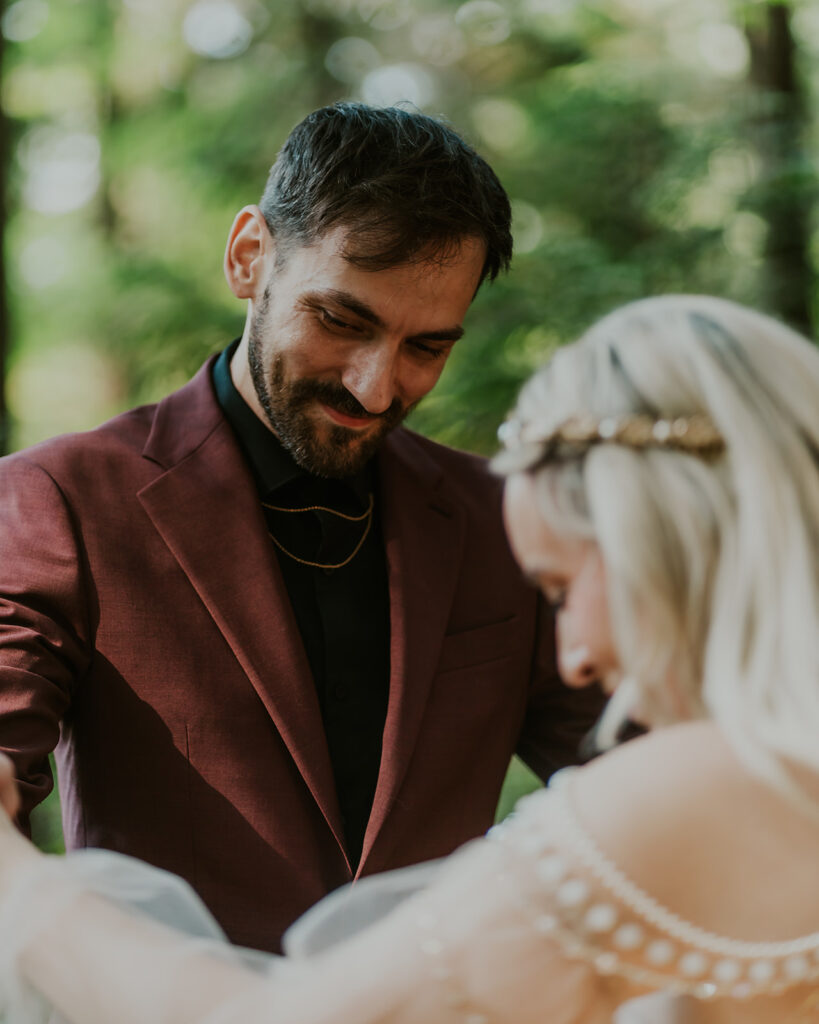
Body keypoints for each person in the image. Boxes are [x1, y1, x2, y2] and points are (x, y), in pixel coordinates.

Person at [0, 292, 817, 1024]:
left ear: (666, 544)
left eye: (563, 588)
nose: (569, 655)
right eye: (342, 320)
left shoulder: (654, 802)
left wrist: (20, 888)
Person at [0, 102, 601, 953]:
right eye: (341, 321)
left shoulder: (505, 520)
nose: (375, 388)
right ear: (250, 258)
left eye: (426, 347)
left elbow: (639, 774)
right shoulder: (57, 499)